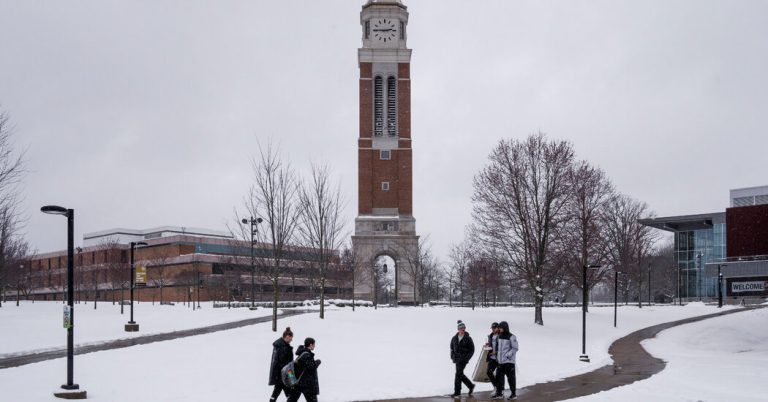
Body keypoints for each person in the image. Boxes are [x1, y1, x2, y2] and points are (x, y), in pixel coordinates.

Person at [287, 337, 321, 402]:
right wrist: (318, 362)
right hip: (306, 384)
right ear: (310, 345)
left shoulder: (302, 353)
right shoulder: (306, 354)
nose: (314, 346)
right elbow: (311, 367)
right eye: (314, 344)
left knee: (291, 399)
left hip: (298, 383)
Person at [450, 320, 475, 397]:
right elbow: (451, 349)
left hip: (463, 360)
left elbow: (472, 350)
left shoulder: (468, 338)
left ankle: (457, 392)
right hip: (457, 359)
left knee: (458, 374)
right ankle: (470, 385)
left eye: (464, 328)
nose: (463, 329)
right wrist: (452, 356)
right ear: (458, 329)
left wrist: (467, 358)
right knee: (459, 374)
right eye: (461, 328)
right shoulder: (454, 338)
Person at [493, 321, 518, 400]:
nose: (499, 329)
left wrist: (508, 355)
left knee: (511, 379)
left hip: (509, 362)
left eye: (500, 328)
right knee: (498, 378)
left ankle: (513, 394)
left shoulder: (512, 336)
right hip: (500, 362)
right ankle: (499, 394)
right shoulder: (499, 336)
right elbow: (499, 348)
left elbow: (515, 348)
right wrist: (497, 355)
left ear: (505, 328)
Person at [269, 327, 295, 402]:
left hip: (279, 374)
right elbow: (285, 364)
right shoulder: (283, 347)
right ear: (285, 337)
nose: (291, 340)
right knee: (289, 393)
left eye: (291, 338)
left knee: (278, 391)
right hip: (283, 374)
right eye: (289, 338)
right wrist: (290, 375)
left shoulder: (280, 345)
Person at [485, 322, 501, 395]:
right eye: (492, 328)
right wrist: (488, 345)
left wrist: (496, 352)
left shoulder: (500, 336)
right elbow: (490, 345)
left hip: (499, 358)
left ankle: (500, 390)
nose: (493, 330)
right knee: (489, 372)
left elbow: (502, 347)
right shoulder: (491, 336)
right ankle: (496, 387)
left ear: (498, 328)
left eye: (494, 328)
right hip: (491, 357)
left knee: (499, 375)